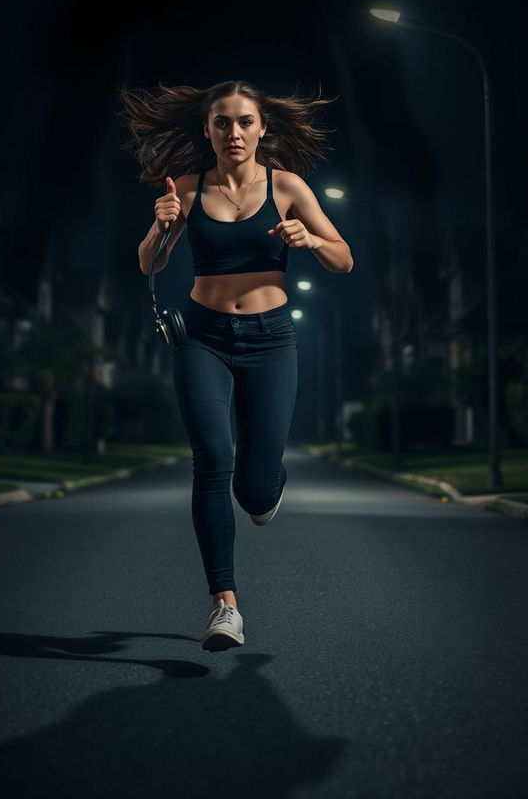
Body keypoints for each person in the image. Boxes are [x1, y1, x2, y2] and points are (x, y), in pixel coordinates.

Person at [121, 79, 354, 651]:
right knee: (211, 461)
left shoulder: (287, 187)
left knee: (253, 489)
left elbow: (344, 259)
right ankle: (224, 605)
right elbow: (149, 263)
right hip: (202, 337)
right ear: (207, 130)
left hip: (272, 340)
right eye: (222, 122)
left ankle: (267, 485)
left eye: (244, 121)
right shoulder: (189, 190)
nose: (234, 132)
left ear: (261, 128)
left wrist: (308, 239)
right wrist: (162, 222)